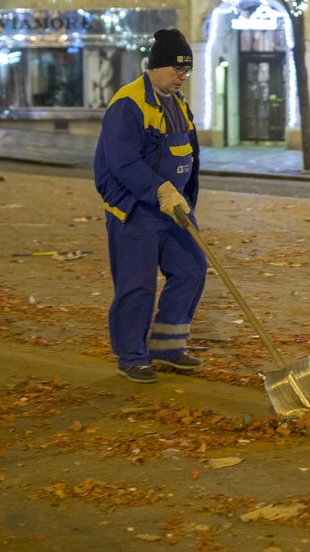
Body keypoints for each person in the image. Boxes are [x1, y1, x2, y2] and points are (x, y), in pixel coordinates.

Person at [93, 28, 206, 384]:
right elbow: (122, 162)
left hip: (174, 209)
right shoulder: (128, 104)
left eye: (186, 72)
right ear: (157, 67)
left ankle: (167, 347)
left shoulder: (177, 104)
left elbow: (188, 152)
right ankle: (131, 356)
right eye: (177, 70)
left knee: (192, 269)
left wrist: (184, 198)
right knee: (137, 285)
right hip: (135, 211)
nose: (182, 78)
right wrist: (160, 191)